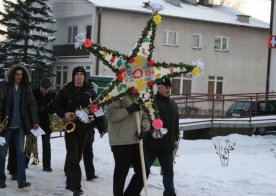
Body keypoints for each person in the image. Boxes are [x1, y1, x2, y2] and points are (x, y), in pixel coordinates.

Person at [53, 66, 106, 196]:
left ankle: (69, 182)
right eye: (77, 74)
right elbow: (56, 106)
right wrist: (64, 113)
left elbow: (96, 109)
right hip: (70, 128)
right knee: (73, 156)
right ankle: (76, 186)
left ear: (84, 76)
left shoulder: (90, 91)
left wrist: (102, 127)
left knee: (78, 156)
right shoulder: (66, 90)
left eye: (81, 74)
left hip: (84, 129)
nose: (79, 76)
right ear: (73, 76)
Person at [0, 64, 40, 189]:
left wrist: (35, 121)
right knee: (1, 154)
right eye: (17, 74)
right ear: (12, 74)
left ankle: (21, 181)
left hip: (20, 127)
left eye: (21, 74)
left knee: (21, 153)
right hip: (5, 126)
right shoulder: (5, 86)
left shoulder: (26, 88)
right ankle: (1, 180)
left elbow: (32, 105)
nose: (19, 76)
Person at [106, 94, 150, 196]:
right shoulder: (115, 93)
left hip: (137, 140)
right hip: (121, 140)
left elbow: (147, 115)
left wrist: (144, 128)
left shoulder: (142, 94)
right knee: (121, 173)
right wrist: (129, 110)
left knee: (144, 172)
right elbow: (111, 115)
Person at [144, 77, 180, 196]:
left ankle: (170, 194)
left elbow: (176, 122)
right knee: (143, 171)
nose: (168, 90)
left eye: (169, 87)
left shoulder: (173, 104)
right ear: (158, 87)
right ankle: (133, 191)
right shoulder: (151, 103)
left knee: (168, 172)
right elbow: (145, 121)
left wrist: (176, 136)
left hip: (167, 146)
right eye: (165, 87)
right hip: (151, 144)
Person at [64, 88, 106, 181]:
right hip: (76, 127)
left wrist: (101, 128)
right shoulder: (72, 93)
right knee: (74, 152)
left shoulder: (92, 94)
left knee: (88, 152)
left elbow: (98, 112)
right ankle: (69, 171)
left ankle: (90, 174)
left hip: (89, 127)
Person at [29, 77, 56, 172]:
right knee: (30, 144)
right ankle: (24, 163)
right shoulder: (33, 92)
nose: (46, 90)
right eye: (44, 88)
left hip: (45, 123)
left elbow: (54, 108)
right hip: (34, 122)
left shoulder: (52, 95)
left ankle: (47, 166)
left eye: (47, 88)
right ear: (40, 87)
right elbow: (29, 106)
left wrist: (46, 109)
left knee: (46, 144)